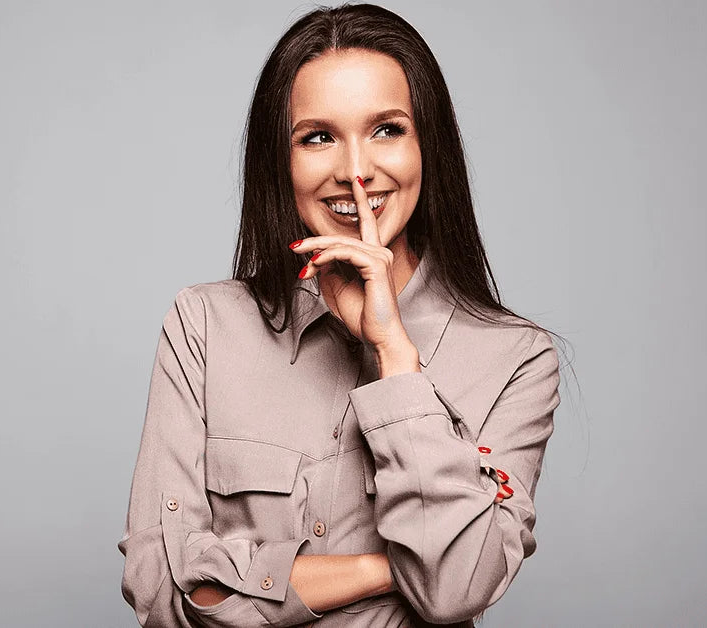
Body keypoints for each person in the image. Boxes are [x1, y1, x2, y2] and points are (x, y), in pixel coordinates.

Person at [117, 4, 565, 626]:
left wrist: (396, 358)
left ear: (427, 146)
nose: (355, 170)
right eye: (318, 137)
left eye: (387, 130)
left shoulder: (516, 360)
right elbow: (160, 590)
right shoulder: (204, 326)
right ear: (282, 161)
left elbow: (457, 588)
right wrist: (386, 569)